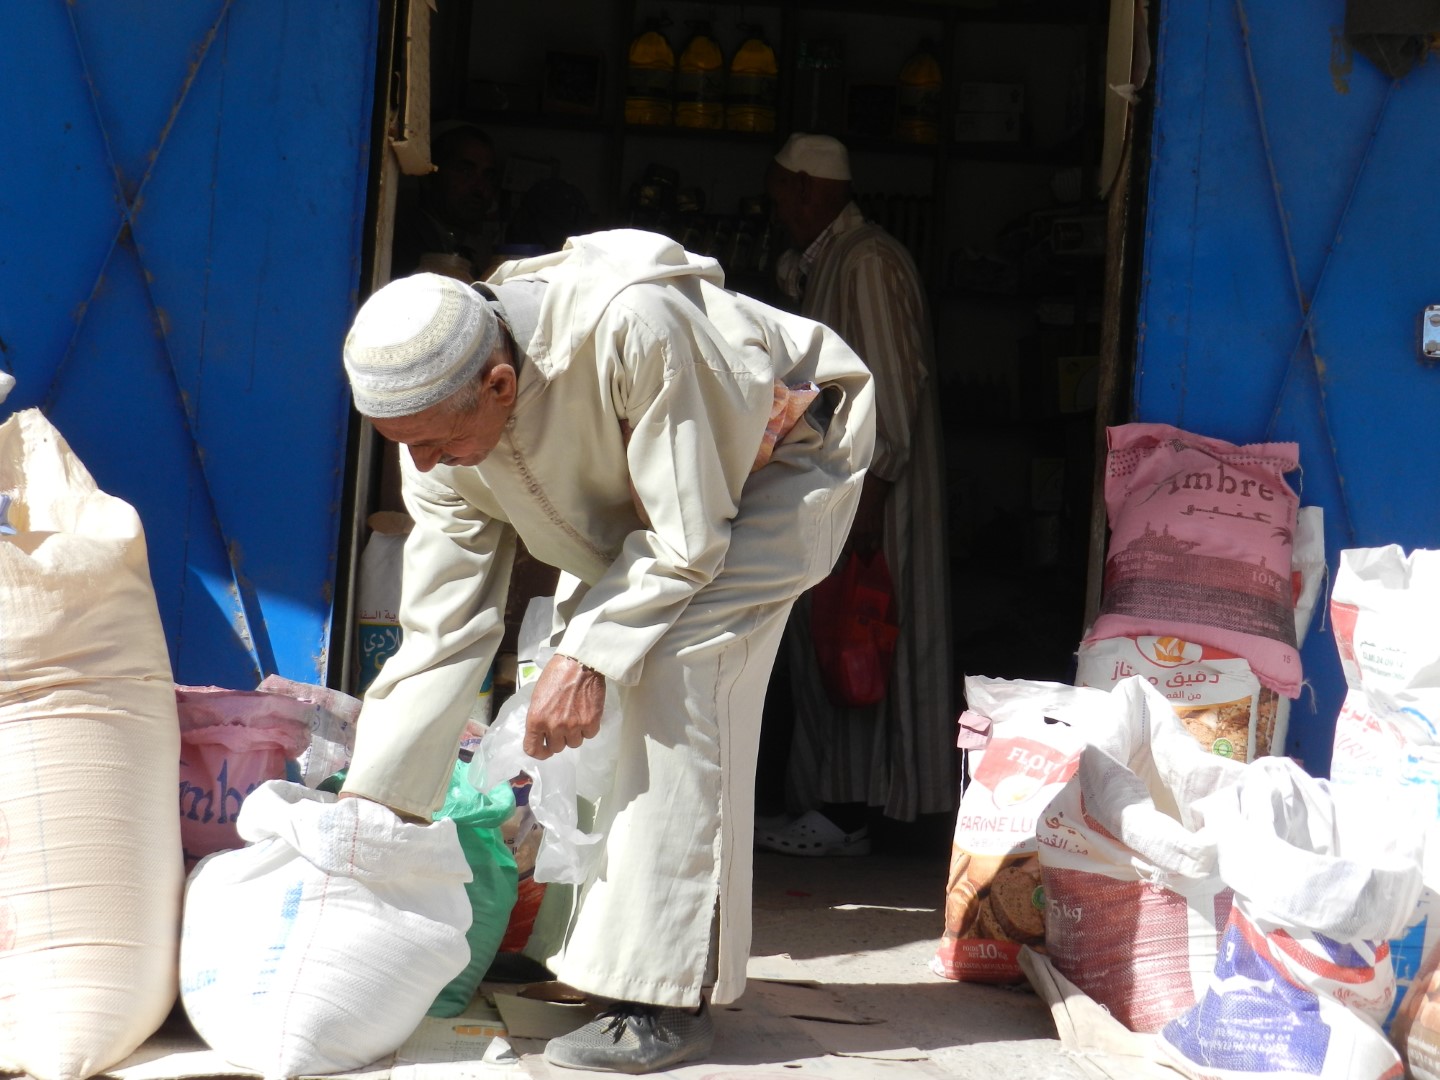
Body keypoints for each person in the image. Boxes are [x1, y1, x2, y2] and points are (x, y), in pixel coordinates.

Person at [338, 229, 874, 1074]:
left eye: (433, 442)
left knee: (669, 672)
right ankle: (590, 958)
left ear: (500, 384)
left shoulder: (634, 327)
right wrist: (371, 811)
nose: (423, 464)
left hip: (777, 469)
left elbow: (688, 540)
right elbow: (444, 628)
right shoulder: (438, 428)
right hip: (660, 508)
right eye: (402, 443)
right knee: (585, 669)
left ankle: (664, 995)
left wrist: (586, 659)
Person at [755, 133, 955, 856]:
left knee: (864, 638)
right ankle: (838, 804)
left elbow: (891, 390)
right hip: (840, 488)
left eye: (782, 188)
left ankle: (854, 812)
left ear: (809, 189)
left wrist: (873, 493)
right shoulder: (825, 260)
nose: (776, 202)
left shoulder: (866, 261)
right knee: (840, 641)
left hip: (874, 492)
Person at [391, 122, 502, 279]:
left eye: (488, 176)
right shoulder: (403, 243)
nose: (480, 188)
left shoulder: (473, 245)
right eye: (465, 172)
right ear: (429, 176)